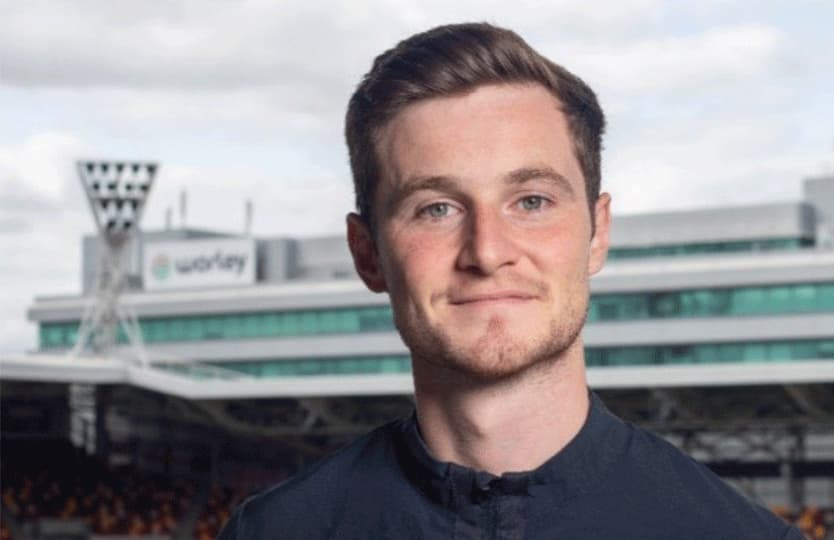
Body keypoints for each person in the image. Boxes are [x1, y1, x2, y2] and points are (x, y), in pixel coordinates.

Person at [218, 22, 804, 539]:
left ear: (596, 233)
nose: (488, 251)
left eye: (531, 200)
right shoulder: (273, 532)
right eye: (436, 208)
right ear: (367, 253)